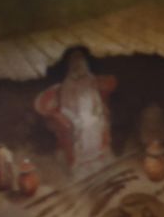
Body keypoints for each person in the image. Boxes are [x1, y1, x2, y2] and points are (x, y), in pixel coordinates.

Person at [34, 47, 117, 178]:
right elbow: (65, 108)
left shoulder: (90, 79)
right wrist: (75, 119)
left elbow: (96, 98)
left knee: (97, 123)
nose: (81, 68)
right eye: (78, 65)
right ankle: (82, 164)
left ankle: (97, 160)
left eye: (83, 64)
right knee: (84, 127)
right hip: (76, 117)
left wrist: (98, 111)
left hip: (91, 114)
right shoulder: (68, 84)